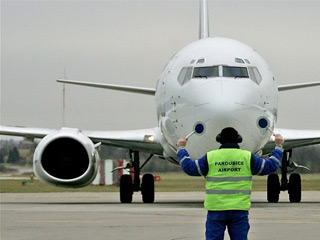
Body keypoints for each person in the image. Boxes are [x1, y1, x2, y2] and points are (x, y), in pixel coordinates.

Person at [176, 127, 284, 240]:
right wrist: (278, 147)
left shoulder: (211, 157)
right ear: (238, 139)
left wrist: (181, 148)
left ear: (219, 140)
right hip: (239, 209)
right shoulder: (247, 157)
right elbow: (271, 166)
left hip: (216, 209)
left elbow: (189, 167)